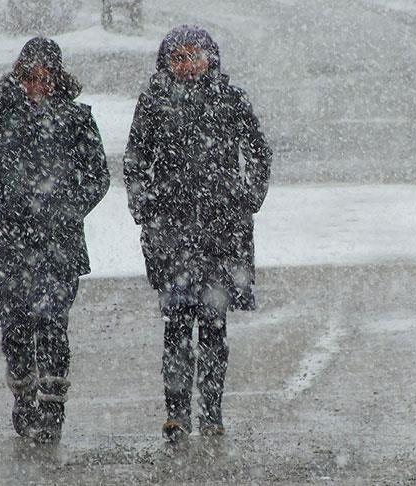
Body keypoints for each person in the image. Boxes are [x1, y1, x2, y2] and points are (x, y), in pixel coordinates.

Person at [123, 25, 272, 441]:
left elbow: (259, 152)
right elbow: (135, 159)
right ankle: (176, 413)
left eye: (196, 56)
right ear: (167, 62)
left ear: (212, 58)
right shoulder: (154, 102)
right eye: (179, 58)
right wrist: (144, 207)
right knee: (176, 326)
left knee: (213, 325)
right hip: (171, 234)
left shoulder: (230, 98)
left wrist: (247, 198)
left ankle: (211, 413)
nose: (188, 66)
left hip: (222, 232)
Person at [0, 37, 109, 444]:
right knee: (13, 329)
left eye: (46, 77)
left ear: (57, 78)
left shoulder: (77, 120)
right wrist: (0, 213)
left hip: (58, 243)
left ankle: (52, 404)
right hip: (11, 245)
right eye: (30, 77)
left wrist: (68, 209)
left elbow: (97, 175)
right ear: (19, 76)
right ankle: (23, 393)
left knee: (51, 325)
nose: (38, 85)